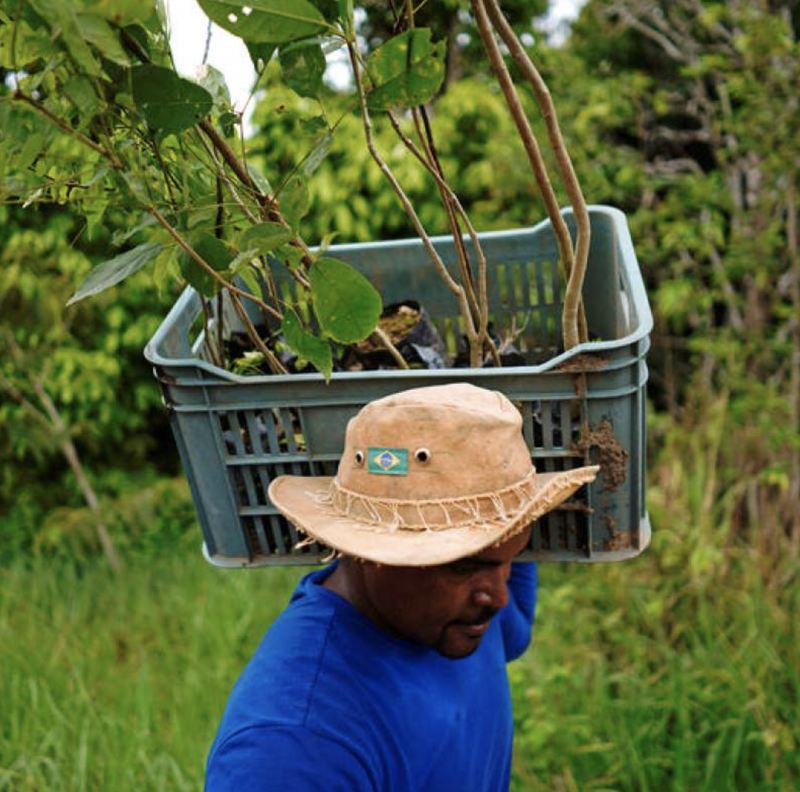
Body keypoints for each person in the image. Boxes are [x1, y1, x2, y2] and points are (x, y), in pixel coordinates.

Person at [205, 383, 598, 791]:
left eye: (512, 556)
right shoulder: (294, 748)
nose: (500, 597)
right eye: (464, 565)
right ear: (368, 549)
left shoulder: (462, 612)